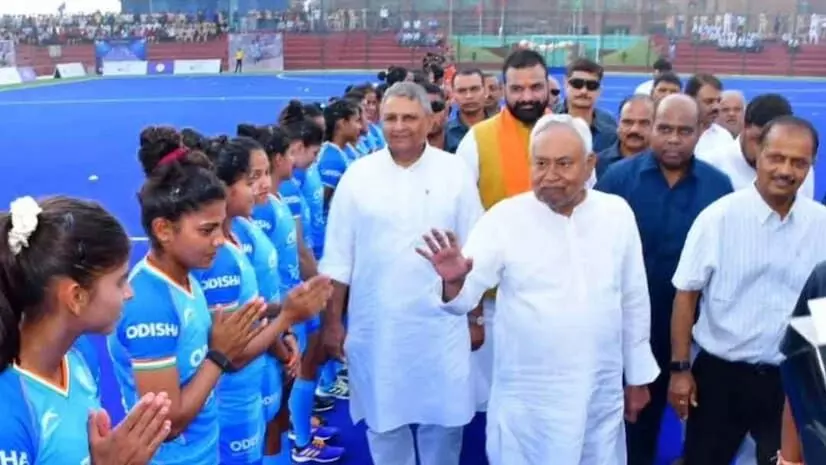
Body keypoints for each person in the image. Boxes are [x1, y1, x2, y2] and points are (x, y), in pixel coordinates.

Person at [417, 113, 659, 465]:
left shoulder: (616, 214)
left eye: (564, 164)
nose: (550, 175)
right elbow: (466, 294)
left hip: (598, 389)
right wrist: (453, 282)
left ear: (590, 164)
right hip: (530, 398)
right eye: (541, 163)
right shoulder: (505, 218)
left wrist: (637, 377)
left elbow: (634, 299)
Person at [110, 129, 330, 465]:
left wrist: (287, 307)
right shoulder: (149, 305)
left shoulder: (185, 278)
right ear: (163, 230)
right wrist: (223, 354)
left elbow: (233, 326)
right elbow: (167, 424)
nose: (218, 240)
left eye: (219, 227)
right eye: (206, 230)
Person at [320, 82, 484, 465]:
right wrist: (332, 325)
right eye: (391, 117)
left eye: (410, 117)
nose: (399, 126)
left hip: (441, 328)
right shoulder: (358, 177)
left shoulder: (454, 172)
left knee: (443, 427)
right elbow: (339, 260)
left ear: (429, 121)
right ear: (379, 121)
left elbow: (474, 253)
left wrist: (476, 317)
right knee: (384, 425)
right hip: (378, 329)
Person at [670, 116, 826, 465]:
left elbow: (823, 308)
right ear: (758, 154)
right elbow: (686, 295)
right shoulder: (718, 218)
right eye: (777, 157)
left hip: (789, 382)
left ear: (811, 166)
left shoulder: (822, 226)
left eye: (799, 162)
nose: (786, 170)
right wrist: (680, 369)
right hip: (720, 378)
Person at [595, 94, 734, 465]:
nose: (674, 139)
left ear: (700, 133)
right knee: (629, 427)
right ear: (652, 127)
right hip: (625, 330)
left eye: (684, 131)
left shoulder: (718, 188)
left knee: (701, 430)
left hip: (692, 336)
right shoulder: (617, 180)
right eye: (665, 129)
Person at [0, 195, 172, 465]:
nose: (129, 293)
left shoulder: (79, 355)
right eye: (120, 282)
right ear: (76, 297)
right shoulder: (8, 417)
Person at [250, 126, 346, 464]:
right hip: (279, 315)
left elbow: (298, 248)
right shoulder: (261, 211)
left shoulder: (278, 199)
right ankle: (301, 441)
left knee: (283, 398)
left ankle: (300, 435)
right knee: (271, 410)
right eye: (289, 154)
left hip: (290, 309)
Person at [703, 94, 816, 199]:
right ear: (745, 126)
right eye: (759, 140)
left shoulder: (800, 169)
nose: (765, 152)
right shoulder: (710, 166)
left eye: (776, 144)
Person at [559, 58, 618, 153]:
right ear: (566, 84)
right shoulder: (549, 118)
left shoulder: (609, 124)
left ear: (599, 90)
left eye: (591, 85)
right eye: (577, 84)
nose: (584, 91)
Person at [595, 95, 654, 178]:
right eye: (628, 122)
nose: (634, 130)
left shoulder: (665, 164)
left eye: (644, 123)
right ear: (618, 123)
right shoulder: (597, 164)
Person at [445, 68, 489, 153]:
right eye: (461, 91)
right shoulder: (444, 134)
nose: (469, 96)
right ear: (453, 94)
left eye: (474, 89)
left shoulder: (500, 130)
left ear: (485, 91)